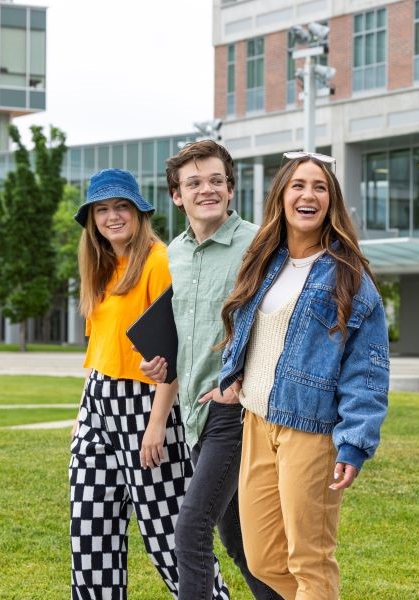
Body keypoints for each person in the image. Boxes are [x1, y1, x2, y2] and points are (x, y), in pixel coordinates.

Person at [216, 151, 390, 599]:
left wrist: (355, 440)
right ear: (282, 196)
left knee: (309, 560)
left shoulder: (348, 275)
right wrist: (232, 374)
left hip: (310, 430)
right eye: (298, 185)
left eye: (319, 187)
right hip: (256, 421)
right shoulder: (265, 263)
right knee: (262, 557)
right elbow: (246, 327)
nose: (308, 195)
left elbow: (367, 369)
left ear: (331, 202)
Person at [140, 140, 279, 600]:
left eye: (216, 181)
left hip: (234, 411)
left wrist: (239, 382)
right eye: (194, 183)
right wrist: (160, 363)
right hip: (194, 413)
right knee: (241, 544)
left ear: (231, 189)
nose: (207, 190)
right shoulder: (173, 254)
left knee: (190, 530)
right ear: (176, 195)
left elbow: (279, 322)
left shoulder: (259, 244)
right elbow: (182, 332)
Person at [69, 168, 198, 599]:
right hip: (98, 404)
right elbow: (98, 349)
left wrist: (157, 422)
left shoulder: (159, 261)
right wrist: (82, 414)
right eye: (102, 209)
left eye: (121, 206)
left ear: (139, 212)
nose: (112, 216)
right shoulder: (100, 266)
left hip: (147, 404)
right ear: (92, 220)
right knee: (90, 536)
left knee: (168, 538)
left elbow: (172, 350)